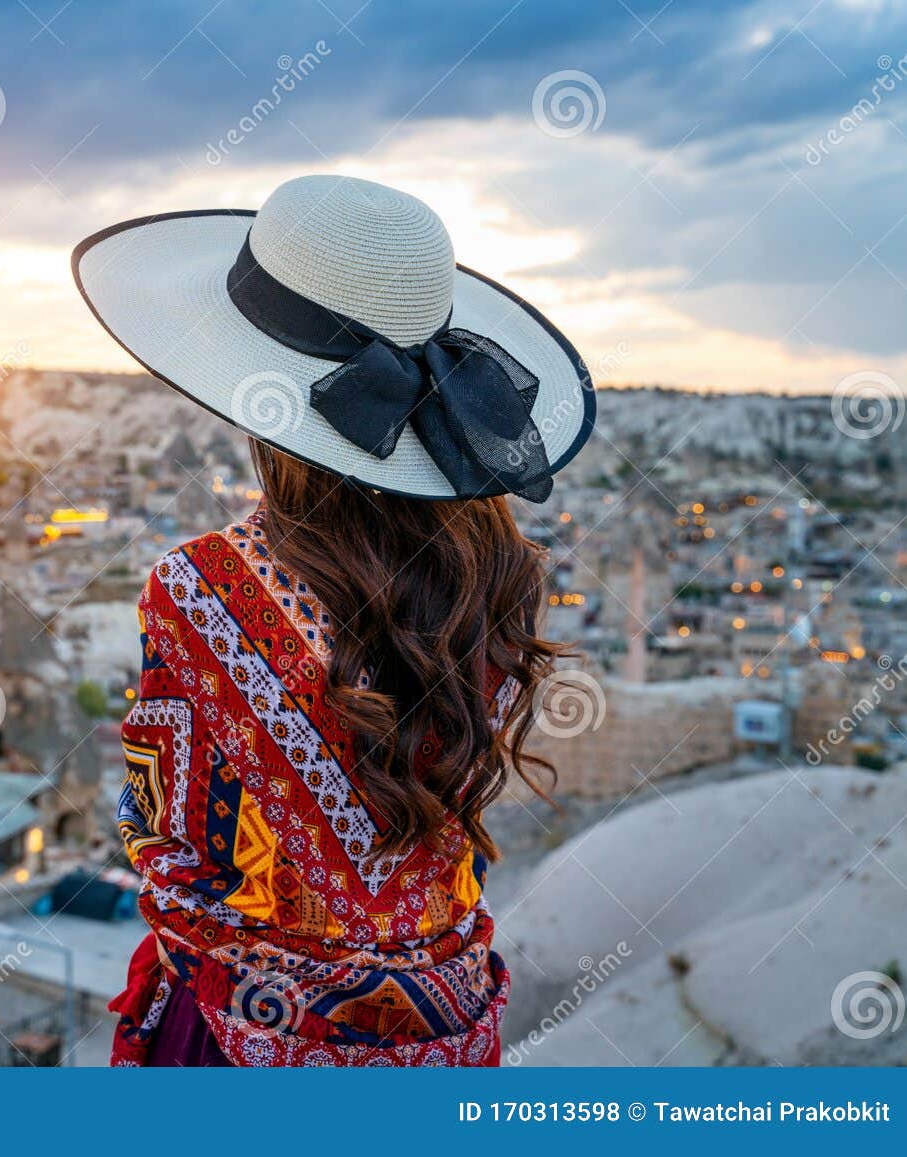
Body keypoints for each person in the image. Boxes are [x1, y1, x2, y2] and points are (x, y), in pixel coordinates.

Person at [71, 174, 596, 1066]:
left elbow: (166, 836)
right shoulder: (503, 579)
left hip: (247, 1036)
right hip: (445, 1031)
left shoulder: (201, 589)